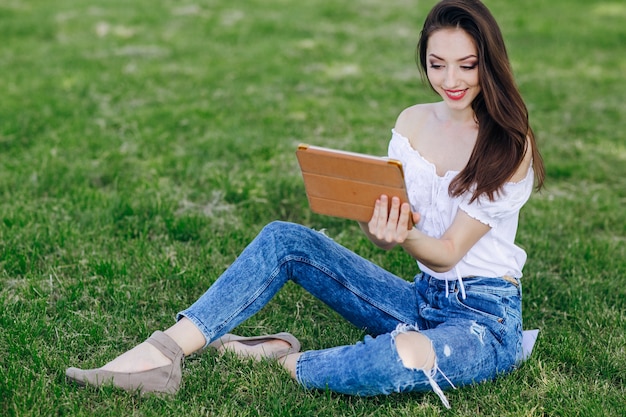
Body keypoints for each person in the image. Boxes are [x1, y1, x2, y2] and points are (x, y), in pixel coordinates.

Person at [66, 0, 545, 408]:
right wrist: (377, 226)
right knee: (284, 239)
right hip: (422, 297)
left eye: (467, 64)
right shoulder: (414, 121)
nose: (451, 78)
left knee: (400, 357)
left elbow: (447, 251)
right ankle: (163, 354)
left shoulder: (509, 143)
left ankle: (286, 359)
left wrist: (407, 236)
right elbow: (385, 218)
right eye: (437, 64)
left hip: (484, 319)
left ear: (490, 61)